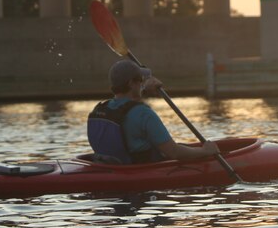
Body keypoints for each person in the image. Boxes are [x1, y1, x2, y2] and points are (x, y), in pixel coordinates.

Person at [88, 60, 220, 164]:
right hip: (141, 177)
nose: (142, 83)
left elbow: (126, 108)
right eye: (140, 80)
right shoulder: (144, 114)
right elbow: (173, 152)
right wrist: (205, 151)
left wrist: (144, 90)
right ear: (131, 83)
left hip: (112, 168)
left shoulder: (101, 109)